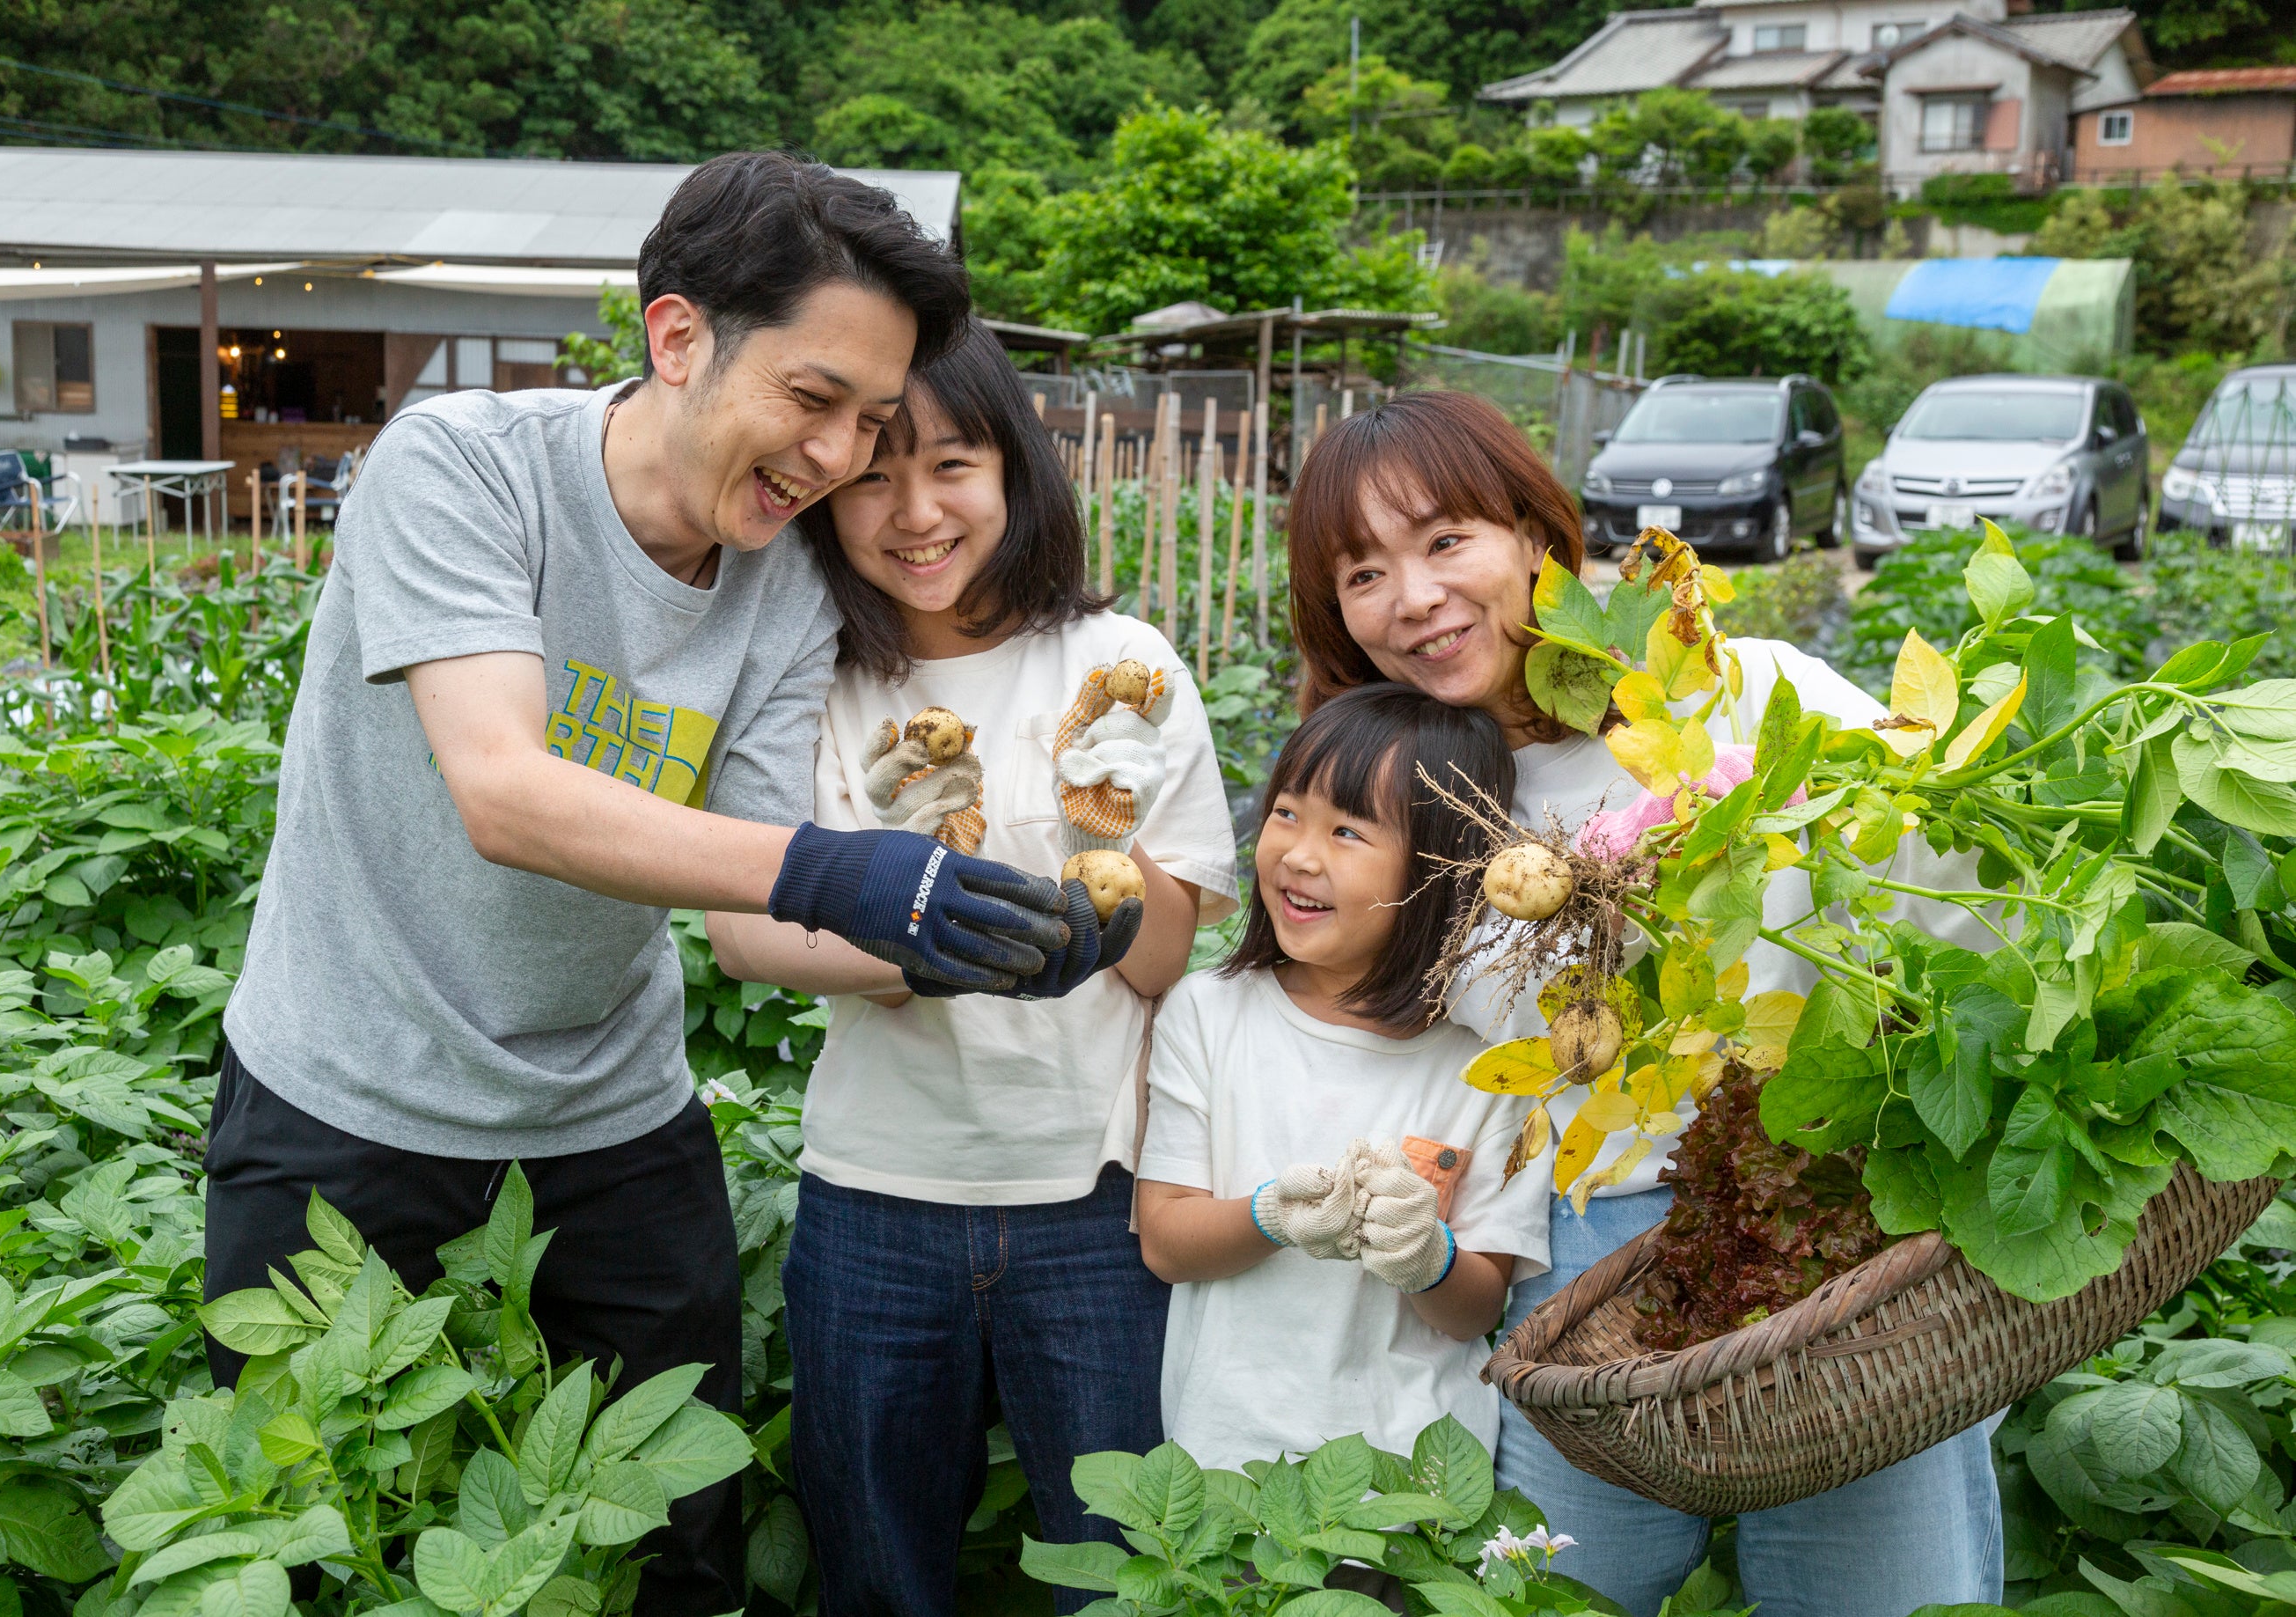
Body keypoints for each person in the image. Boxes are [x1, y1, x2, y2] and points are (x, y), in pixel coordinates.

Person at [210, 157, 1132, 1617]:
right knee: (314, 1528)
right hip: (346, 1089)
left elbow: (757, 917)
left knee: (677, 1542)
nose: (837, 457)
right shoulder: (463, 466)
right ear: (679, 335)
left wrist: (968, 942)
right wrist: (844, 868)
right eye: (814, 400)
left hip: (612, 1110)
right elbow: (504, 789)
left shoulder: (782, 581)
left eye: (876, 424)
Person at [1283, 390, 2003, 1617]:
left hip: (1839, 1233)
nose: (1412, 598)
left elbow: (1957, 896)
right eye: (1363, 572)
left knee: (1882, 1593)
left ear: (1535, 537)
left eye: (1445, 540)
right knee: (1555, 1596)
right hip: (1590, 1264)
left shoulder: (1740, 692)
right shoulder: (1401, 809)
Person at [707, 326, 1240, 1617]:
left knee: (1123, 1575)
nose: (917, 511)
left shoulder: (1122, 665)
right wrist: (923, 934)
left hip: (1097, 1206)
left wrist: (1103, 843)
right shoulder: (811, 677)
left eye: (955, 465)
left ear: (1015, 474)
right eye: (875, 477)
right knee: (879, 1573)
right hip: (874, 1201)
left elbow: (1169, 954)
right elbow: (746, 932)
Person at [1133, 683, 1549, 1475]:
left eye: (1349, 830)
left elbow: (1476, 1309)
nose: (1299, 852)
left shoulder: (1490, 1065)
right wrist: (1273, 1215)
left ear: (1442, 871)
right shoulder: (1210, 1014)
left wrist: (1424, 1254)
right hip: (1229, 1456)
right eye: (1288, 811)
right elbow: (1166, 1242)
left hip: (1412, 1480)